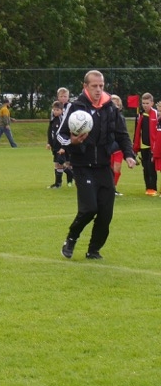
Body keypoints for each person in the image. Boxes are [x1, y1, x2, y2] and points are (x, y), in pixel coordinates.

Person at [58, 70, 136, 260]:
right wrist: (72, 142)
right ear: (85, 86)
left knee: (106, 212)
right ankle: (71, 238)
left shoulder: (110, 108)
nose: (98, 90)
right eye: (94, 86)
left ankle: (93, 249)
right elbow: (60, 135)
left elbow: (122, 134)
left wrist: (129, 155)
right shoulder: (75, 107)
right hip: (82, 165)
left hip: (103, 166)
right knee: (89, 208)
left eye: (101, 86)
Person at [132, 92, 157, 195]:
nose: (145, 105)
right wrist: (135, 145)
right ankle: (148, 188)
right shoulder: (140, 115)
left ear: (152, 103)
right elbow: (137, 131)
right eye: (143, 103)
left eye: (147, 103)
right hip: (143, 146)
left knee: (151, 168)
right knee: (145, 168)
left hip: (153, 147)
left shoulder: (156, 114)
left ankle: (153, 188)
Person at [46, 101, 67, 189]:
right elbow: (50, 132)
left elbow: (65, 134)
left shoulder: (63, 120)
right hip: (54, 146)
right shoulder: (53, 119)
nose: (55, 111)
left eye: (57, 110)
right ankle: (57, 183)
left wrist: (63, 147)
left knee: (60, 163)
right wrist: (49, 142)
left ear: (62, 110)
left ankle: (59, 183)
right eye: (54, 110)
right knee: (57, 163)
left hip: (60, 146)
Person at [111, 95, 126, 196]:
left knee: (117, 168)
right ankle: (108, 188)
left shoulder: (121, 118)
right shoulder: (105, 118)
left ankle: (113, 188)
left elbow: (124, 134)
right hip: (108, 147)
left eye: (117, 104)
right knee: (109, 168)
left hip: (118, 148)